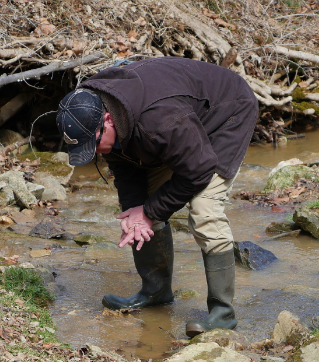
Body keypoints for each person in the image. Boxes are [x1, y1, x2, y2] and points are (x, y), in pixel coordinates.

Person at [56, 57, 259, 338]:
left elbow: (198, 171)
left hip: (226, 112)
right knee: (140, 207)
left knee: (204, 211)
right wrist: (135, 212)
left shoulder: (159, 120)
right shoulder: (95, 106)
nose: (95, 154)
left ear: (107, 120)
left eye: (95, 144)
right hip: (181, 122)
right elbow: (124, 167)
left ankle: (223, 314)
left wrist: (150, 213)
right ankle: (156, 291)